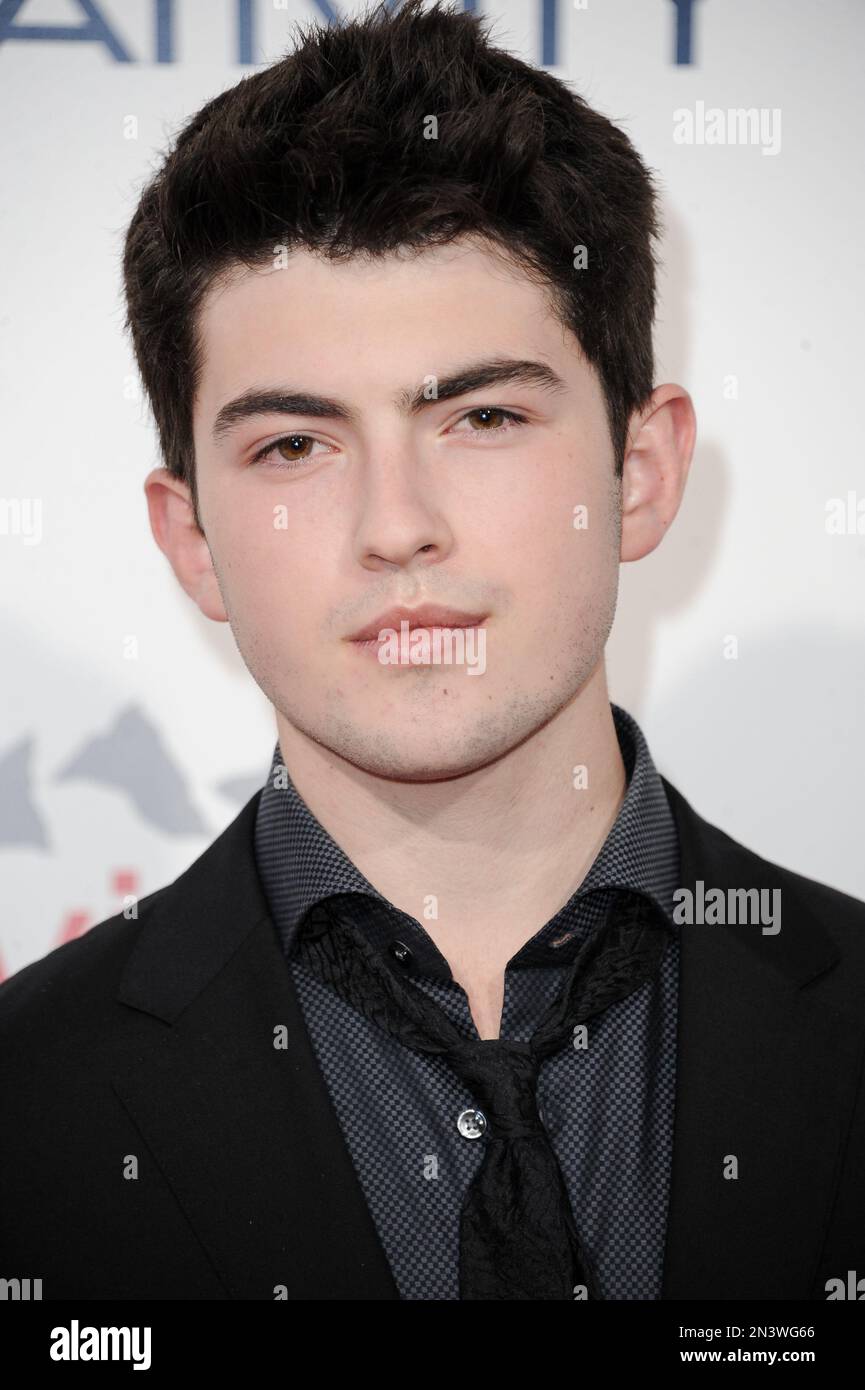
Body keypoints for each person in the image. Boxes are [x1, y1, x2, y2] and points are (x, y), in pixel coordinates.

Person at [1, 0, 863, 1302]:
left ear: (638, 471)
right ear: (189, 539)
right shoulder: (23, 1097)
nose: (395, 526)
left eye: (483, 417)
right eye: (293, 444)